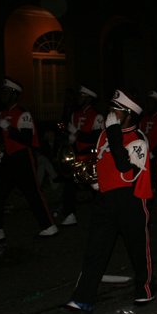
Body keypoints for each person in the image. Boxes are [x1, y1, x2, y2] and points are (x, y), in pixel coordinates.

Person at [58, 90, 153, 313]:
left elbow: (125, 168)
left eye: (116, 111)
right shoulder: (105, 135)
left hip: (131, 199)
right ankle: (82, 298)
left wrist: (112, 132)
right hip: (105, 200)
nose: (110, 114)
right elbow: (103, 162)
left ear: (128, 115)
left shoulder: (138, 138)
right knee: (95, 249)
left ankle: (145, 291)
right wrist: (96, 180)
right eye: (110, 110)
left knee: (138, 249)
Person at [0, 77, 58, 241]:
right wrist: (0, 151)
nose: (2, 95)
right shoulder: (2, 113)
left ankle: (49, 226)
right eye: (2, 92)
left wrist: (9, 128)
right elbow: (5, 138)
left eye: (6, 92)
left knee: (32, 193)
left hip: (23, 157)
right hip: (9, 158)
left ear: (14, 95)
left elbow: (26, 139)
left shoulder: (23, 114)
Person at [60, 86, 104, 226]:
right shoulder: (74, 114)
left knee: (95, 187)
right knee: (70, 184)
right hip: (77, 154)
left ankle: (105, 213)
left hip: (90, 155)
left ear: (88, 98)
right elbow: (73, 135)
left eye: (81, 96)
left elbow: (96, 138)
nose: (78, 98)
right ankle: (70, 213)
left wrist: (77, 133)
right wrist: (71, 138)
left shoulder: (97, 116)